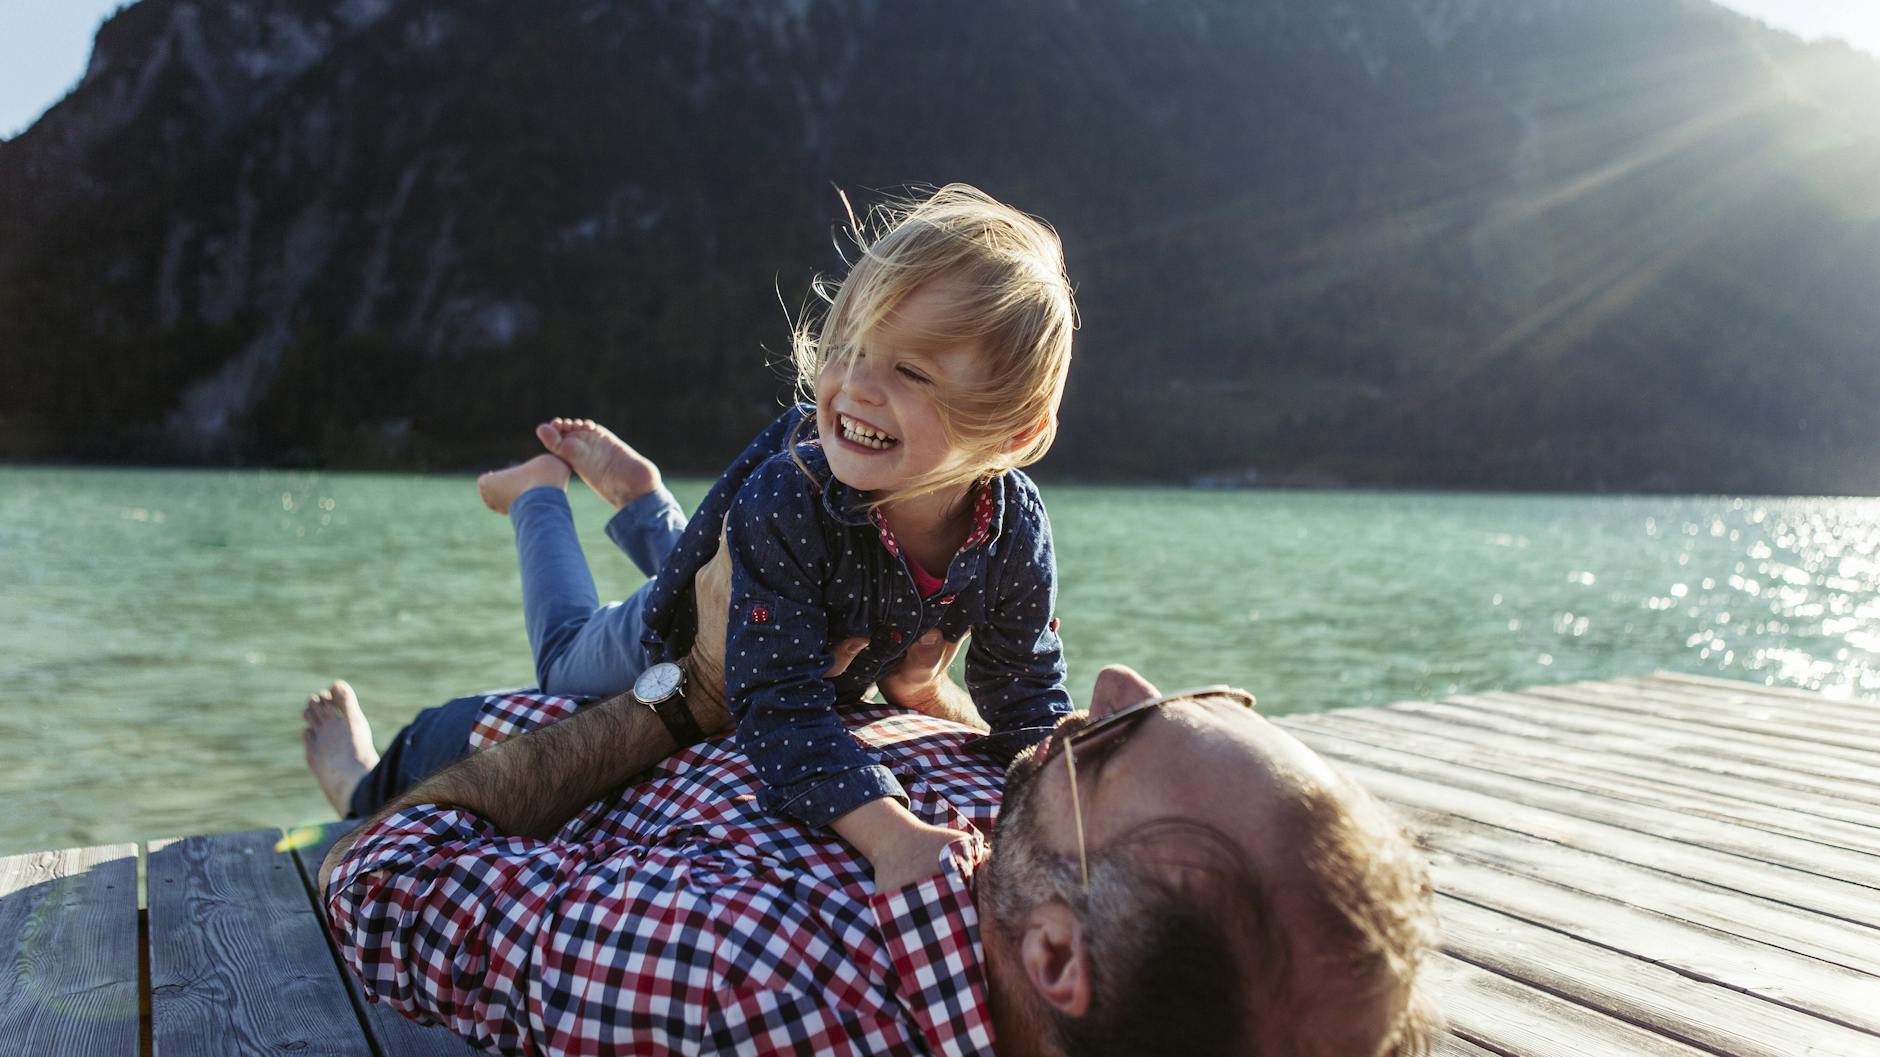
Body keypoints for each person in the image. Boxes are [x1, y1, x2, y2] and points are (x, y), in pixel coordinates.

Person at [314, 663, 1442, 1057]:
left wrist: (685, 694)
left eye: (1109, 745)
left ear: (1055, 954)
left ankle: (354, 770)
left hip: (510, 746)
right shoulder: (1036, 893)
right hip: (736, 713)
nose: (1114, 683)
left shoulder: (750, 983)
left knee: (378, 787)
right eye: (1207, 699)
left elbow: (376, 881)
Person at [465, 183, 1080, 891]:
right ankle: (537, 493)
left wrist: (1068, 796)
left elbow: (1025, 693)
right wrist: (891, 834)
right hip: (694, 627)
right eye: (847, 346)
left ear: (1015, 433)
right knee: (566, 659)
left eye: (910, 369)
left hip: (773, 589)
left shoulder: (1012, 527)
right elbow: (775, 699)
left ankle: (643, 500)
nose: (855, 384)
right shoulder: (791, 494)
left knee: (750, 576)